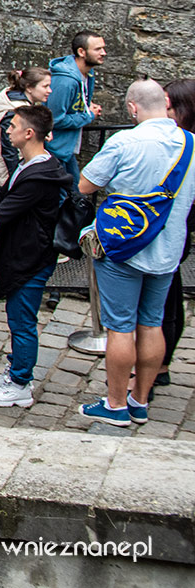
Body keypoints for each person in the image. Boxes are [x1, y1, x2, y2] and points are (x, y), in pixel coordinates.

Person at [77, 79, 195, 426]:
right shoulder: (190, 144)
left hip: (124, 249)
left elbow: (86, 185)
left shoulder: (125, 141)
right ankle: (140, 401)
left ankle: (115, 405)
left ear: (132, 108)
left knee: (120, 328)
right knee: (152, 324)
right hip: (168, 249)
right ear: (166, 103)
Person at [0, 104, 69, 409]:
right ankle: (16, 372)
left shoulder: (38, 175)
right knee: (17, 318)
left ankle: (20, 382)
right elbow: (3, 196)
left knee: (22, 320)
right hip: (24, 254)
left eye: (13, 125)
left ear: (29, 133)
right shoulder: (29, 164)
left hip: (30, 258)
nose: (8, 130)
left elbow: (3, 213)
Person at [157, 79, 195, 386]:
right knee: (169, 297)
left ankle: (156, 369)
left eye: (166, 105)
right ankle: (162, 365)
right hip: (174, 228)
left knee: (163, 305)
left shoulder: (184, 144)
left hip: (175, 228)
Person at [47, 30, 105, 184]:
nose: (103, 53)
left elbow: (77, 103)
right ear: (81, 52)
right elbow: (55, 119)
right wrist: (88, 116)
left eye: (103, 48)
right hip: (55, 149)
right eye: (98, 49)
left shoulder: (88, 74)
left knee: (75, 197)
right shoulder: (65, 81)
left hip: (67, 149)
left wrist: (87, 106)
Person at [0, 67, 53, 182]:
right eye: (45, 86)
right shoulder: (13, 113)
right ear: (29, 88)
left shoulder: (24, 106)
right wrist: (16, 180)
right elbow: (9, 150)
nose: (50, 90)